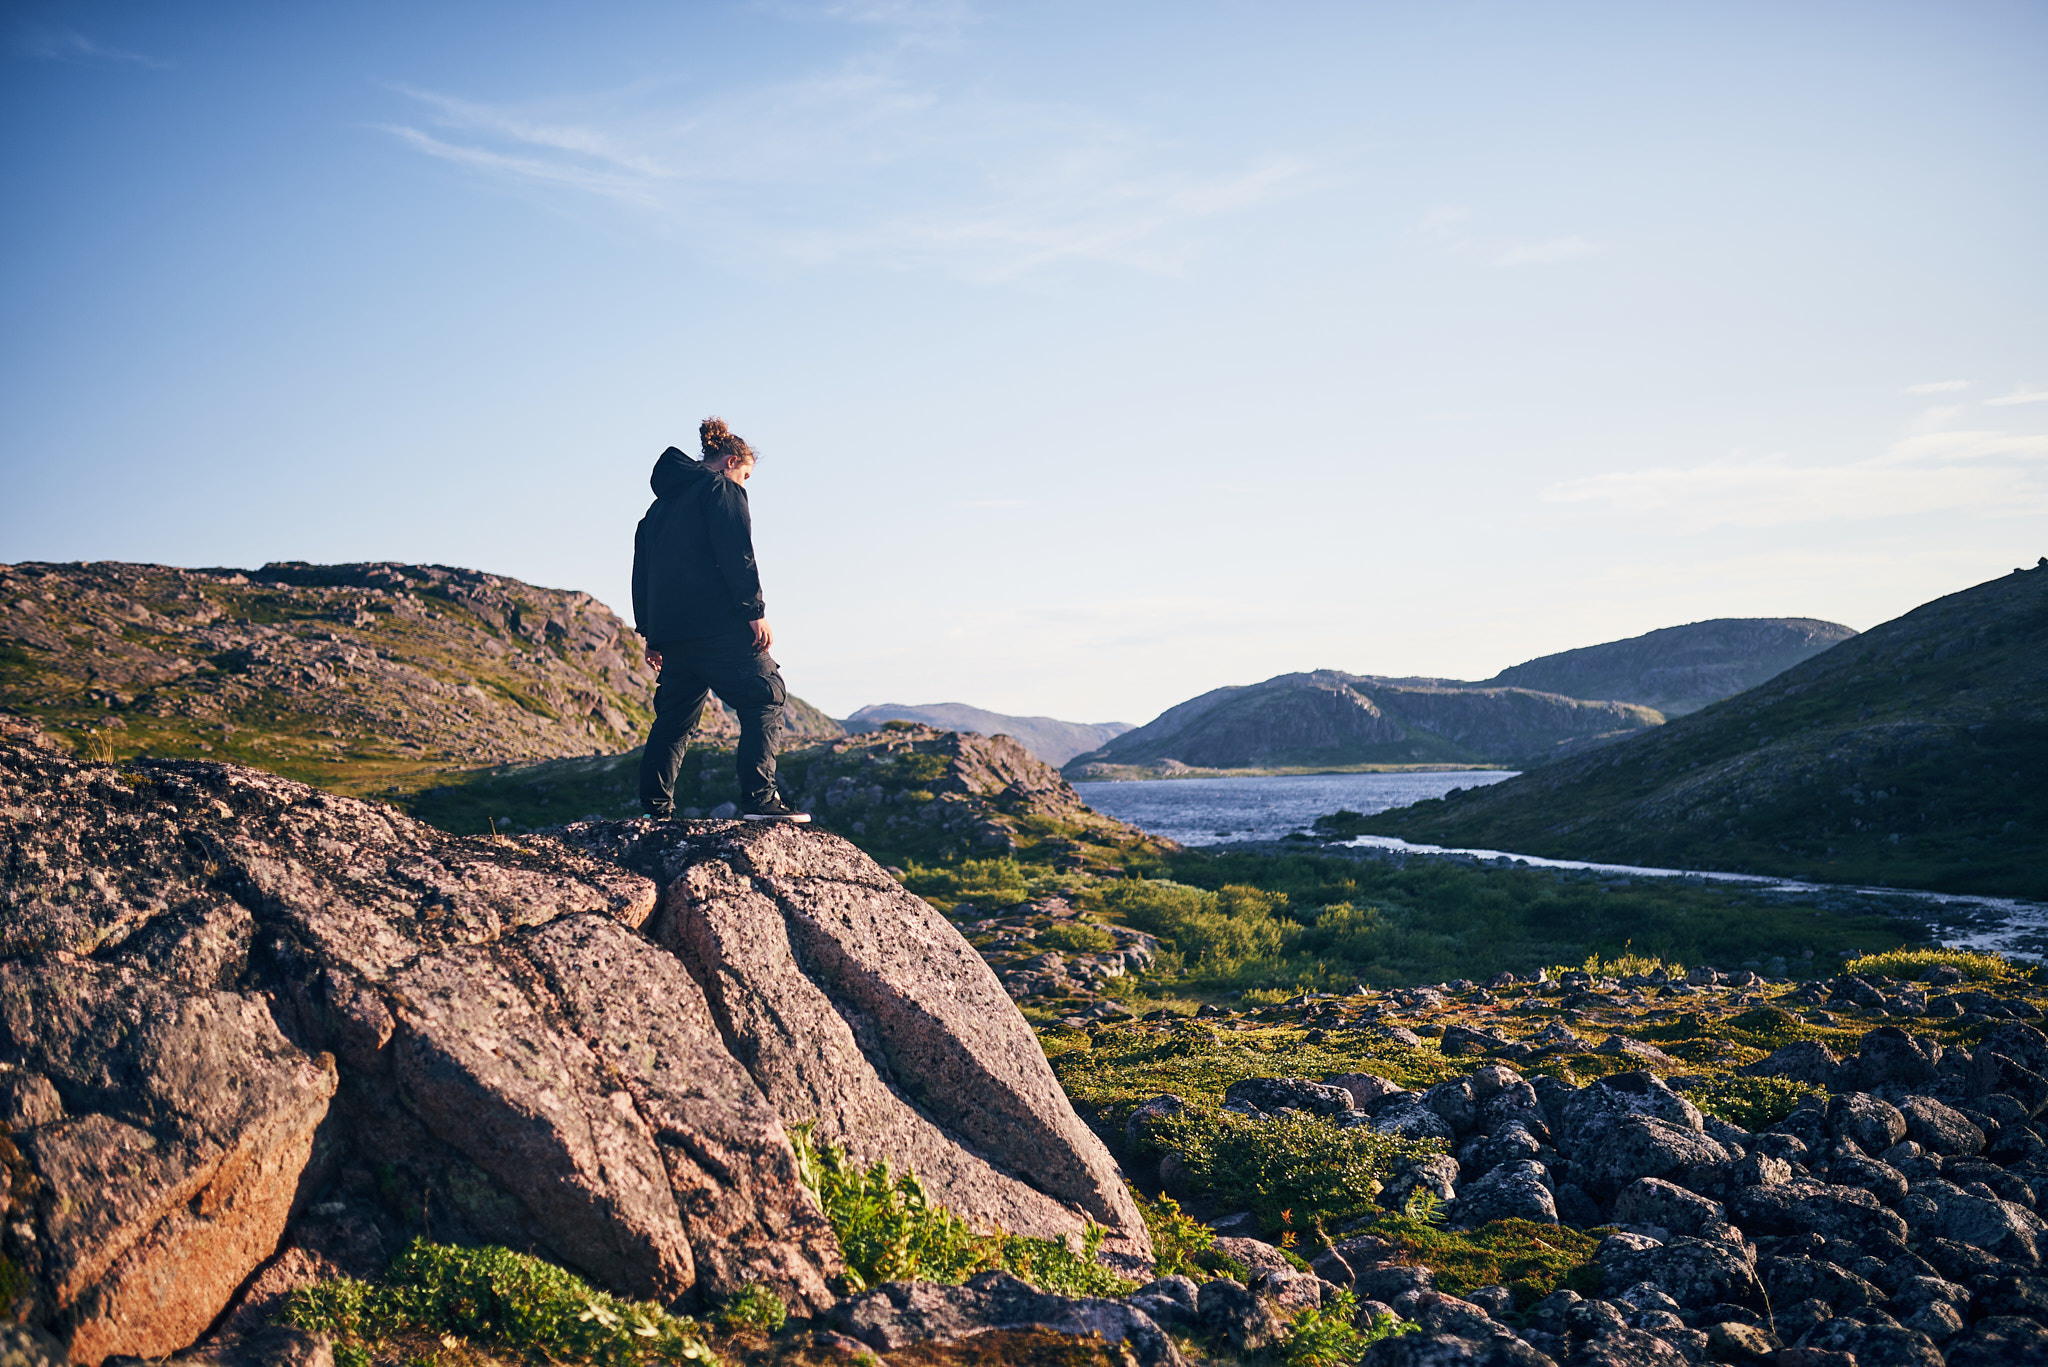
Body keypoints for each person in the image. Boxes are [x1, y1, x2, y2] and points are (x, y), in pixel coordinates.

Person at [631, 417, 810, 822]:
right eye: (746, 475)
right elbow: (736, 552)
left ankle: (655, 811)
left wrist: (651, 633)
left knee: (674, 720)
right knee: (767, 696)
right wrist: (754, 612)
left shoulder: (656, 512)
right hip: (718, 626)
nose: (744, 483)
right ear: (731, 462)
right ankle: (760, 801)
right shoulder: (722, 489)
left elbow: (643, 573)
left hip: (673, 635)